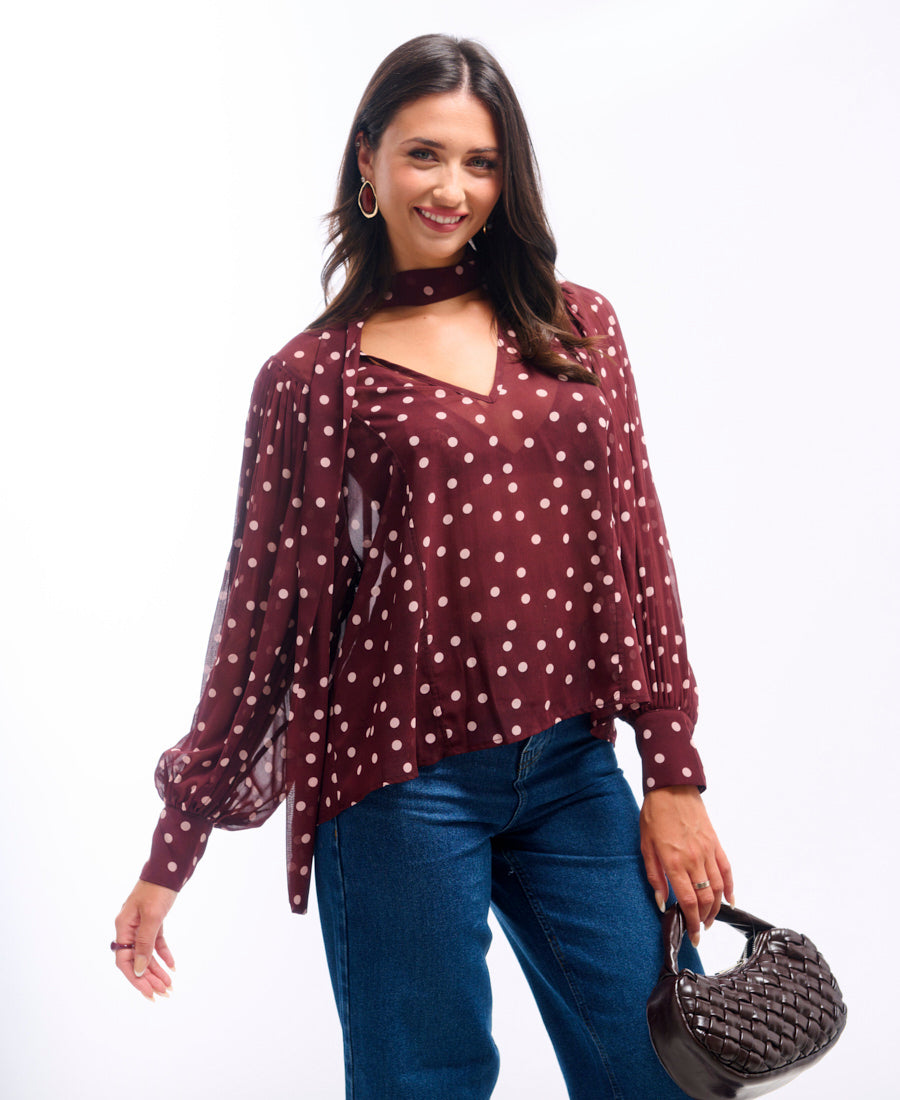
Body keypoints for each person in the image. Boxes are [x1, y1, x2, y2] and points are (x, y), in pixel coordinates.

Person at [113, 33, 734, 1100]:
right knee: (424, 1083)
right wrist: (173, 852)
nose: (452, 188)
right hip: (399, 783)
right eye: (424, 155)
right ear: (368, 159)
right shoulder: (311, 378)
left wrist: (672, 770)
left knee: (665, 1068)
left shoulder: (579, 325)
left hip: (573, 765)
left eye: (481, 162)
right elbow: (260, 626)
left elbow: (639, 545)